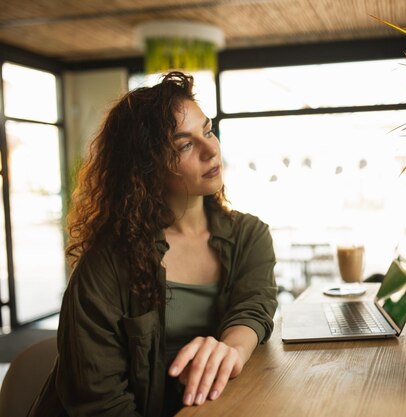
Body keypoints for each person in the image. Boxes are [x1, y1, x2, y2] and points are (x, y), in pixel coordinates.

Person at [28, 71, 278, 416]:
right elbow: (100, 404)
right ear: (146, 168)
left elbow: (254, 306)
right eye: (185, 144)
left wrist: (231, 350)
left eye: (207, 130)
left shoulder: (249, 235)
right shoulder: (107, 264)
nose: (211, 149)